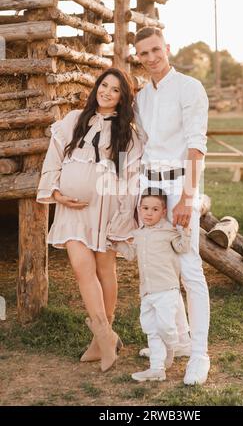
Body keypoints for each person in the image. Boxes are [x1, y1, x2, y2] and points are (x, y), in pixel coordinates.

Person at [36, 68, 142, 372]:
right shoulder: (73, 120)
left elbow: (128, 177)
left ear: (123, 98)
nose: (107, 92)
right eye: (104, 85)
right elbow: (53, 158)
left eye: (115, 90)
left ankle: (100, 343)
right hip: (72, 209)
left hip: (104, 209)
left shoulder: (126, 133)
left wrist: (122, 217)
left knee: (104, 268)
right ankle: (106, 336)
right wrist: (56, 194)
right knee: (82, 269)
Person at [133, 27, 210, 385]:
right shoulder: (142, 96)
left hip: (181, 183)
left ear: (167, 48)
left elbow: (196, 145)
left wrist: (188, 196)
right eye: (143, 53)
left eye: (155, 50)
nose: (150, 58)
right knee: (161, 267)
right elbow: (146, 145)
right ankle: (176, 341)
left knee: (189, 267)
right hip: (151, 185)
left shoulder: (189, 88)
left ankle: (199, 353)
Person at [110, 188, 191, 382]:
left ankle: (172, 346)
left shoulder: (168, 230)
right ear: (139, 209)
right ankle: (156, 369)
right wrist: (115, 243)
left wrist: (186, 231)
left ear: (163, 212)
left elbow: (183, 247)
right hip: (146, 292)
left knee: (165, 327)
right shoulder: (138, 234)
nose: (149, 213)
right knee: (151, 329)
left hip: (167, 290)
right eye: (145, 208)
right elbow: (130, 255)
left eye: (155, 209)